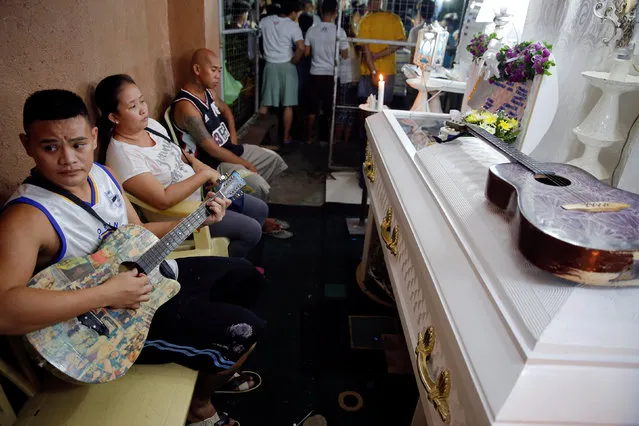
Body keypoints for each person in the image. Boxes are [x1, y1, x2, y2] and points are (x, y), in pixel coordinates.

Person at [0, 89, 265, 426]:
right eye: (50, 147)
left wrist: (199, 218)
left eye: (78, 144)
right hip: (106, 329)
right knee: (246, 331)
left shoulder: (103, 174)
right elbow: (4, 310)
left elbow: (136, 233)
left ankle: (213, 364)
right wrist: (107, 293)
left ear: (94, 137)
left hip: (152, 278)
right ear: (27, 145)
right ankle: (200, 406)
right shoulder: (26, 217)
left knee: (247, 277)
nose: (68, 159)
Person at [95, 74, 268, 259]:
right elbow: (162, 200)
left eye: (142, 101)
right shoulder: (123, 156)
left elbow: (177, 151)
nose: (143, 110)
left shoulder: (150, 125)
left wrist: (198, 165)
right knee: (251, 230)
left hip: (205, 191)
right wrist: (204, 175)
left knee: (259, 208)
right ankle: (233, 268)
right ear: (114, 117)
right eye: (133, 106)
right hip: (186, 214)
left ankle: (246, 257)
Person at [171, 48, 292, 238]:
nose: (218, 76)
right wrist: (243, 163)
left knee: (273, 160)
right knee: (257, 183)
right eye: (213, 70)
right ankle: (258, 221)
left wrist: (232, 136)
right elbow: (211, 148)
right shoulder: (187, 106)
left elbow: (226, 110)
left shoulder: (207, 92)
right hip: (213, 164)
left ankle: (253, 211)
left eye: (219, 70)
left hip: (229, 150)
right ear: (196, 69)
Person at [257, 0, 305, 146]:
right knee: (288, 104)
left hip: (270, 65)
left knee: (265, 103)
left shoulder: (265, 21)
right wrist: (294, 60)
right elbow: (301, 48)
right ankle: (285, 137)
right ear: (292, 12)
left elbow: (256, 35)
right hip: (287, 66)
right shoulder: (292, 25)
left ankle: (256, 137)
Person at [303, 0, 348, 145]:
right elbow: (345, 54)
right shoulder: (339, 31)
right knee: (330, 109)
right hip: (331, 75)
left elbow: (306, 52)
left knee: (312, 109)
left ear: (321, 12)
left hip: (315, 73)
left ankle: (309, 137)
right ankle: (329, 140)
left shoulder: (312, 30)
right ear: (335, 12)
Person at [356, 0, 405, 106]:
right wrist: (379, 55)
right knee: (384, 106)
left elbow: (366, 49)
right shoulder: (395, 19)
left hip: (368, 71)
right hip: (388, 71)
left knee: (366, 106)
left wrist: (374, 72)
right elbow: (400, 43)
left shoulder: (365, 21)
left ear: (369, 4)